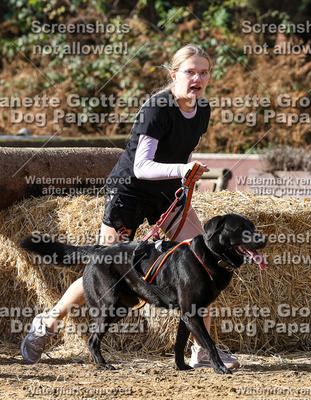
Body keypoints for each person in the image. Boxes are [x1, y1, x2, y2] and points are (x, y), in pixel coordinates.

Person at [21, 43, 239, 369]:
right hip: (129, 191)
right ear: (174, 75)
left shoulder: (202, 109)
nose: (197, 78)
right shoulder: (157, 109)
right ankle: (48, 321)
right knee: (106, 268)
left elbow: (184, 151)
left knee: (202, 261)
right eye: (190, 72)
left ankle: (202, 350)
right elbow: (141, 167)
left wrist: (185, 178)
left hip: (167, 193)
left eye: (203, 72)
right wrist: (182, 170)